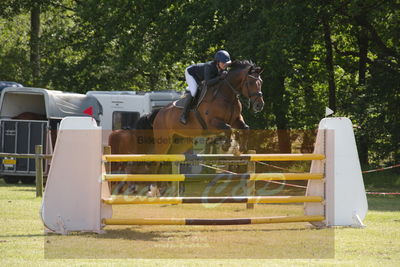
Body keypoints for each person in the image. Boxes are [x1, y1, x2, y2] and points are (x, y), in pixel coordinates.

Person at [180, 50, 232, 124]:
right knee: (194, 91)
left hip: (201, 77)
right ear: (217, 62)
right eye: (223, 63)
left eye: (226, 63)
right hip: (191, 73)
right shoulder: (209, 66)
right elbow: (208, 83)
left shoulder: (222, 67)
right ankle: (184, 115)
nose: (225, 65)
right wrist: (220, 78)